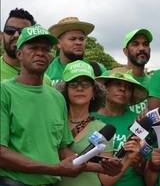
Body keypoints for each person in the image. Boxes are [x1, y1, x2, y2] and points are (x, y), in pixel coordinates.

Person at [0, 24, 119, 186]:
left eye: (45, 49)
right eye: (33, 48)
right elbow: (2, 153)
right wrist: (54, 169)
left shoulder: (57, 98)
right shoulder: (4, 91)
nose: (40, 53)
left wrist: (102, 167)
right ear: (19, 54)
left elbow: (63, 151)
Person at [56, 60, 122, 186]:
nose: (80, 88)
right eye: (74, 84)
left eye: (86, 84)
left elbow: (105, 179)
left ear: (94, 91)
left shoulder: (103, 129)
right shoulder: (55, 123)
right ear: (65, 90)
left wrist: (127, 159)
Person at [91, 70, 149, 186]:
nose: (123, 89)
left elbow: (145, 167)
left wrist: (138, 160)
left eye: (128, 87)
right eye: (117, 84)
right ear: (105, 88)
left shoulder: (139, 121)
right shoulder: (91, 119)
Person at [46, 16, 106, 86]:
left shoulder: (98, 70)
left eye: (81, 39)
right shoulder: (45, 71)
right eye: (72, 39)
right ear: (58, 44)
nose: (78, 43)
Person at [0, 8, 52, 85]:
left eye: (22, 32)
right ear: (2, 35)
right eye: (10, 30)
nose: (16, 35)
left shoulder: (46, 81)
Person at [122, 28, 153, 114]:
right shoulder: (110, 77)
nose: (142, 48)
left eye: (145, 44)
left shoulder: (155, 83)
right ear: (125, 51)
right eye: (135, 44)